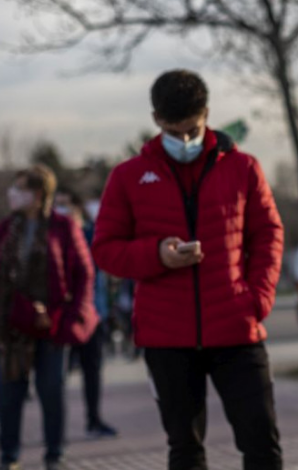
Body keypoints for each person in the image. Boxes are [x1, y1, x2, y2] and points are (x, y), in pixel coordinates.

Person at [93, 69, 284, 470]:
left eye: (192, 130)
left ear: (207, 115)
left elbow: (268, 234)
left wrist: (258, 299)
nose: (184, 140)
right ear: (157, 119)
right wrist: (156, 255)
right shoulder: (127, 177)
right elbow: (105, 250)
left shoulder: (243, 167)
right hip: (166, 339)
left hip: (237, 327)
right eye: (174, 130)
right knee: (185, 450)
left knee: (262, 445)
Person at [0, 165, 98, 470]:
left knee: (51, 390)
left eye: (21, 189)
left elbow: (84, 274)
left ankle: (54, 453)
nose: (13, 194)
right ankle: (9, 455)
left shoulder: (64, 226)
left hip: (51, 324)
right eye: (14, 188)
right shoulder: (5, 227)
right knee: (9, 393)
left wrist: (71, 319)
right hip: (13, 326)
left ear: (39, 194)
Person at [54, 188, 118, 438]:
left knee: (93, 371)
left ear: (78, 208)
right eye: (56, 204)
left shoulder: (92, 233)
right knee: (57, 374)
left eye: (65, 204)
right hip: (62, 316)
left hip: (92, 313)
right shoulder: (53, 235)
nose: (60, 209)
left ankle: (94, 419)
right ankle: (55, 428)